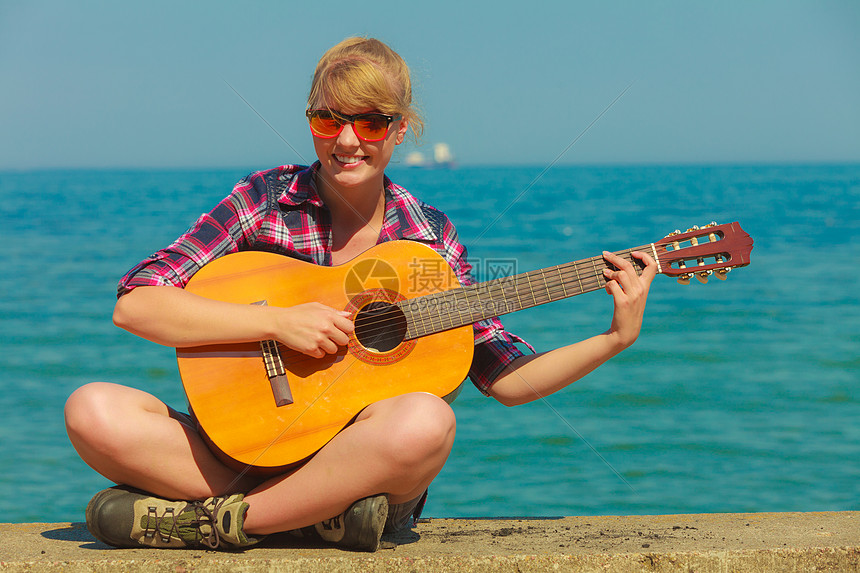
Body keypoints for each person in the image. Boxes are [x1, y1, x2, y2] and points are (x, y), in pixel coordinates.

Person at [64, 37, 657, 553]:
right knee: (92, 409)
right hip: (243, 450)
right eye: (329, 119)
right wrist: (276, 324)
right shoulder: (265, 200)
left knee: (426, 421)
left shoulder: (428, 238)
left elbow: (505, 378)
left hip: (362, 475)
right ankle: (302, 520)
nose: (347, 140)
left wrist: (615, 338)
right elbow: (137, 303)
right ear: (311, 122)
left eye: (370, 122)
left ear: (400, 130)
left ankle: (221, 526)